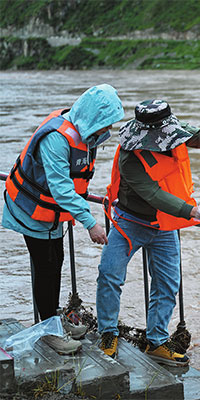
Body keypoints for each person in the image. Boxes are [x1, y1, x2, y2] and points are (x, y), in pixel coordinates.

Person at [96, 99, 200, 366]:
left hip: (164, 225)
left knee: (167, 284)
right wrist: (197, 212)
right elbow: (154, 195)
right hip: (130, 221)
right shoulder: (129, 155)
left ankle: (156, 341)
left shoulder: (173, 130)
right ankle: (108, 334)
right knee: (109, 275)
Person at [2, 84, 124, 355]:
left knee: (55, 262)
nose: (107, 132)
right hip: (31, 212)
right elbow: (61, 189)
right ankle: (48, 332)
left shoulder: (82, 132)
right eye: (105, 125)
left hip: (52, 216)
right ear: (92, 117)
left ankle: (52, 320)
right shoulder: (57, 138)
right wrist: (90, 222)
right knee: (46, 268)